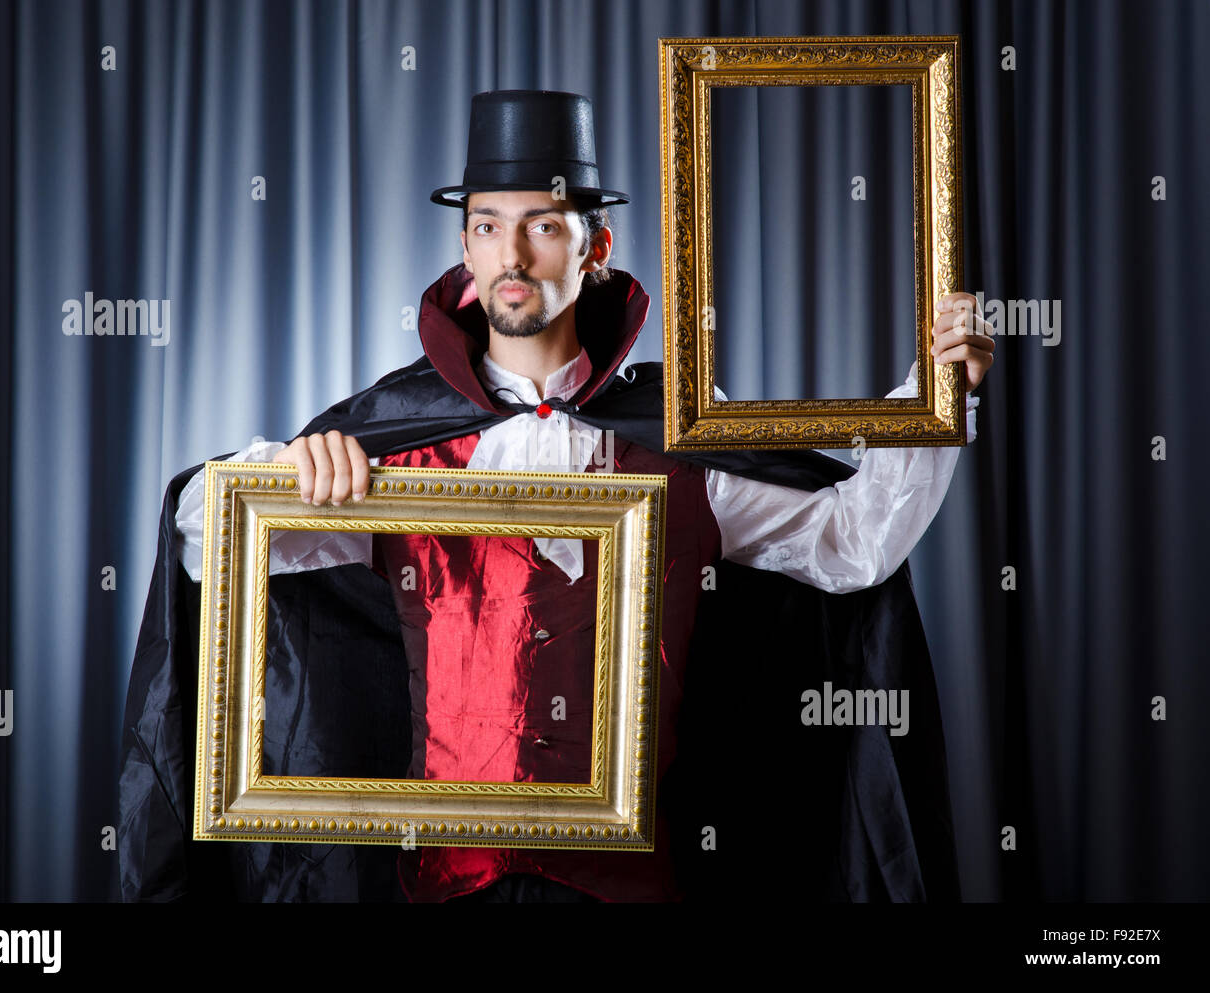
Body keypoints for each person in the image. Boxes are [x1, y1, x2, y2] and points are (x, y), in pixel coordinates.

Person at [120, 90, 994, 904]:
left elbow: (854, 543)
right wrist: (290, 467)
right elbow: (207, 538)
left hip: (633, 886)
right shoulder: (397, 438)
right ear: (465, 251)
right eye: (488, 226)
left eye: (543, 224)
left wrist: (938, 385)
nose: (513, 252)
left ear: (594, 250)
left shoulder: (683, 440)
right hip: (444, 884)